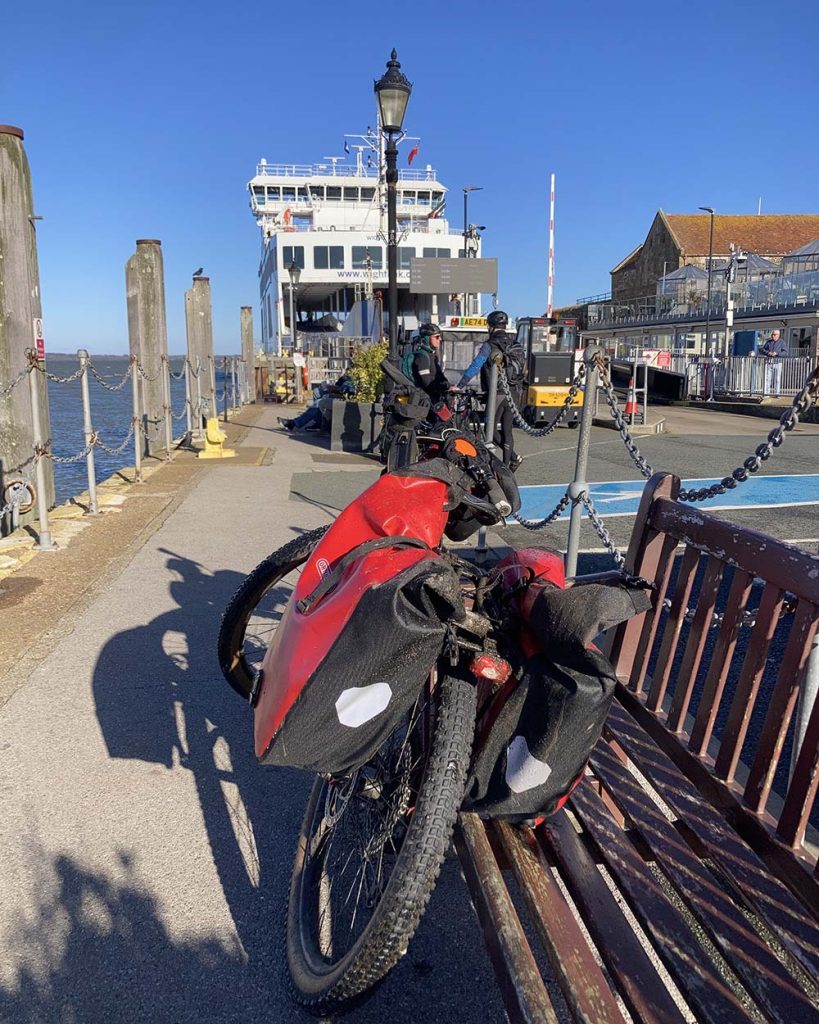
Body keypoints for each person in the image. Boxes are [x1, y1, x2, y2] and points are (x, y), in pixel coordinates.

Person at [456, 310, 521, 470]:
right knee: (508, 430)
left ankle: (511, 461)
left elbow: (476, 365)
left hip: (496, 393)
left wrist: (460, 385)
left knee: (489, 429)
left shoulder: (489, 345)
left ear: (491, 327)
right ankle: (509, 463)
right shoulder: (516, 344)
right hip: (514, 392)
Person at [278, 373, 355, 432]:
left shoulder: (359, 375)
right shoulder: (350, 373)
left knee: (319, 402)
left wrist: (337, 389)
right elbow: (340, 384)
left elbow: (348, 391)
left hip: (345, 399)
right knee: (317, 391)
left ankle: (293, 423)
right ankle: (318, 422)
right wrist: (331, 387)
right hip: (339, 394)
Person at [404, 323, 451, 404]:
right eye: (436, 337)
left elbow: (440, 376)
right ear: (427, 338)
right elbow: (427, 384)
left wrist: (450, 386)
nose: (440, 339)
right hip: (424, 403)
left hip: (434, 400)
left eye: (440, 336)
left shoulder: (432, 356)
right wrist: (445, 387)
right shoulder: (422, 357)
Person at [760, 329, 786, 398]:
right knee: (767, 378)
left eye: (774, 334)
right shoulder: (768, 342)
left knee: (777, 379)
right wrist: (768, 353)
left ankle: (777, 394)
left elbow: (785, 352)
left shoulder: (782, 342)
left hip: (778, 362)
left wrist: (777, 353)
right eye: (772, 334)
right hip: (769, 362)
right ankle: (766, 393)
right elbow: (762, 350)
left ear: (778, 335)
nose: (773, 336)